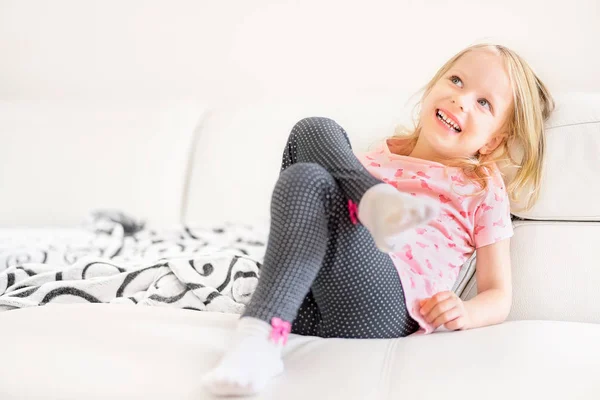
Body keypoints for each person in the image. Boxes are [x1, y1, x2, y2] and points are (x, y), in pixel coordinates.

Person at [201, 43, 555, 397]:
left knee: (313, 176)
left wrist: (465, 311)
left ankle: (373, 206)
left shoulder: (482, 188)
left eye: (484, 103)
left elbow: (498, 294)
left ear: (493, 141)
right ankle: (261, 337)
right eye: (456, 81)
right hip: (314, 302)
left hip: (387, 303)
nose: (461, 100)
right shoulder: (375, 155)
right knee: (311, 144)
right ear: (433, 87)